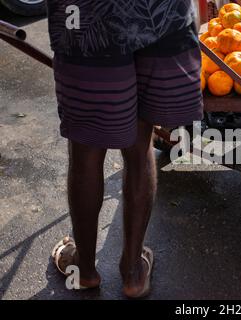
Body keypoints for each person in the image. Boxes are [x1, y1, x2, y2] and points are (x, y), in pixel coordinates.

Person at [47, 0, 203, 298]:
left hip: (88, 22)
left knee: (86, 153)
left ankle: (84, 270)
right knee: (139, 144)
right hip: (162, 17)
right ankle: (133, 273)